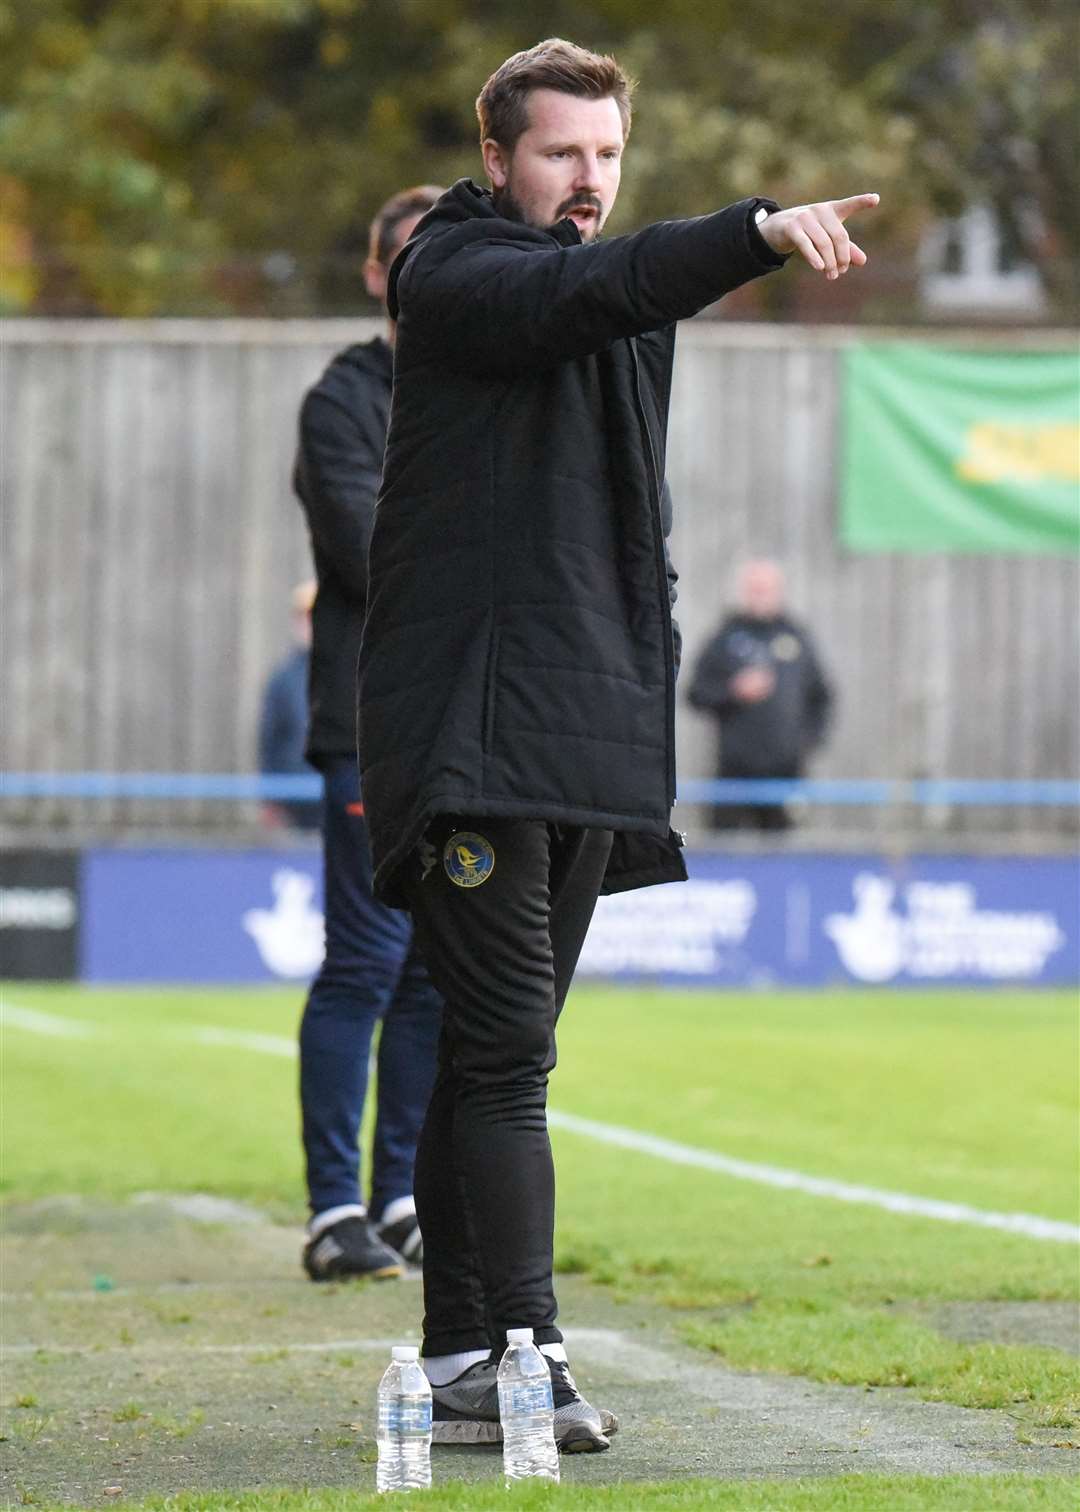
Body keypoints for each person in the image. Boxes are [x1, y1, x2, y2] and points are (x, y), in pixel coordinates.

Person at [357, 37, 878, 1450]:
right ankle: (532, 1349)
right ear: (495, 160)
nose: (587, 183)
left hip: (586, 726)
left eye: (605, 156)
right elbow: (591, 286)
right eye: (560, 156)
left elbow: (631, 522)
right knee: (513, 1054)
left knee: (493, 1049)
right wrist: (755, 234)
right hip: (469, 720)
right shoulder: (453, 276)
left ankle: (464, 1354)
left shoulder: (623, 317)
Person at [293, 185, 445, 1283]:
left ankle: (401, 1195)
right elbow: (363, 548)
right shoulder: (344, 399)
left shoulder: (486, 379)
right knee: (368, 957)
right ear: (376, 273)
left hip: (465, 723)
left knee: (436, 971)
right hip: (367, 718)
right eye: (408, 255)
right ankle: (333, 1209)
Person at [687, 559, 834, 830]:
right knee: (725, 852)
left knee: (782, 855)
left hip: (785, 772)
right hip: (734, 771)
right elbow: (695, 694)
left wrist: (806, 742)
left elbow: (822, 697)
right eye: (754, 588)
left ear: (779, 591)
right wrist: (733, 691)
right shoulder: (725, 637)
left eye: (766, 588)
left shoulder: (797, 637)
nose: (760, 595)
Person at [257, 579, 321, 832]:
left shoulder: (356, 674)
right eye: (305, 617)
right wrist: (270, 796)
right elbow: (269, 741)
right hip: (296, 807)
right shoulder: (283, 680)